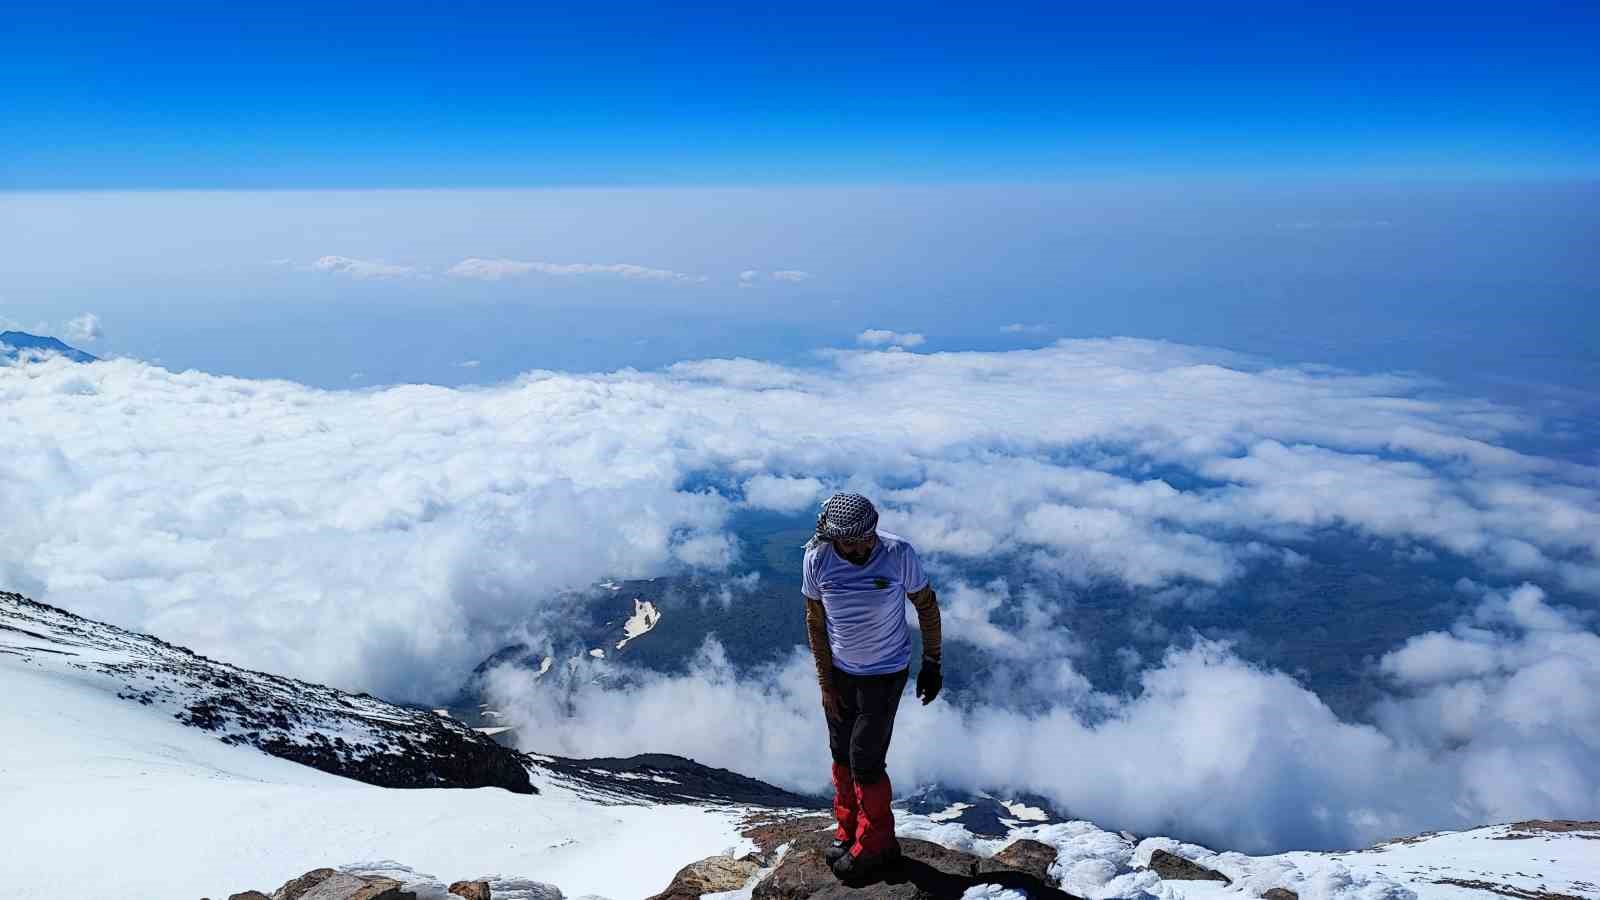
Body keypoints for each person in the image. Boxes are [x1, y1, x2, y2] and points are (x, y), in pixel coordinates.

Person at [802, 491, 943, 878]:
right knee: (841, 754)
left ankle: (876, 843)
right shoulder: (816, 559)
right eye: (850, 542)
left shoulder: (897, 554)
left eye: (867, 538)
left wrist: (932, 662)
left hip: (885, 673)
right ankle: (849, 831)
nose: (861, 547)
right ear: (833, 538)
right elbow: (815, 622)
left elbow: (926, 605)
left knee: (865, 759)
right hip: (841, 673)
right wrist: (826, 684)